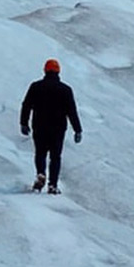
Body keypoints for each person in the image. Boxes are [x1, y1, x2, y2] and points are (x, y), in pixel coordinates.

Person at [20, 59, 83, 194]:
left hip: (39, 125)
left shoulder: (36, 87)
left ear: (45, 70)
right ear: (58, 71)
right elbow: (71, 111)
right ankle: (53, 185)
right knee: (55, 156)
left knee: (40, 153)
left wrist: (24, 123)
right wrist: (77, 130)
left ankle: (41, 174)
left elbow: (26, 105)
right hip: (58, 128)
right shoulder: (65, 90)